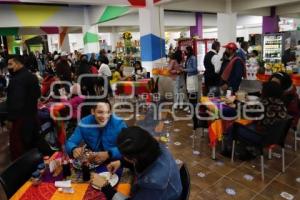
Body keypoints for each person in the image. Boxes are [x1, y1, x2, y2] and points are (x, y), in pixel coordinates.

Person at [91, 126, 182, 200]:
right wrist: (121, 162)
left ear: (134, 159)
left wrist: (105, 187)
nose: (123, 157)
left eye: (124, 156)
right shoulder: (155, 147)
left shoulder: (153, 184)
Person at [222, 81, 288, 159]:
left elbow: (248, 109)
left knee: (235, 126)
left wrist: (235, 104)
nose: (261, 91)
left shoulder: (266, 102)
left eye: (263, 89)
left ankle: (229, 151)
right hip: (276, 137)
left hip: (262, 137)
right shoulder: (281, 103)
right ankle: (247, 150)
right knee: (248, 124)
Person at [6, 55, 43, 159]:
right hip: (32, 116)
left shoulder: (16, 80)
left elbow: (15, 102)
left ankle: (23, 172)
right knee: (32, 145)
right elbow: (38, 94)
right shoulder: (32, 76)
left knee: (19, 149)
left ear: (18, 64)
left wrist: (10, 119)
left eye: (10, 64)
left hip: (20, 120)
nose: (8, 67)